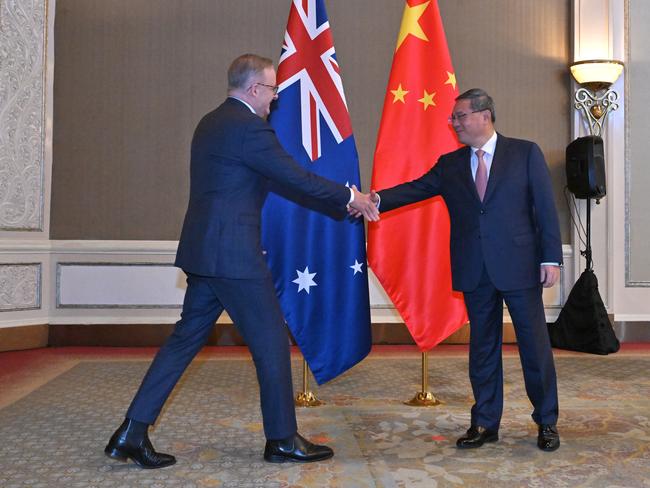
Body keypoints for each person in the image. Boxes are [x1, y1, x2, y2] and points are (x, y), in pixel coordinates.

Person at [104, 53, 379, 468]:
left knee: (183, 341)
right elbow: (296, 177)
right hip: (232, 255)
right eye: (272, 90)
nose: (275, 99)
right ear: (254, 89)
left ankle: (131, 431)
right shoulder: (250, 128)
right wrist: (350, 197)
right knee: (270, 342)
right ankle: (283, 439)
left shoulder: (210, 122)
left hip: (206, 251)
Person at [368, 88, 562, 451]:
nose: (453, 123)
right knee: (483, 348)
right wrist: (375, 199)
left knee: (534, 347)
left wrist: (550, 257)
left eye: (459, 116)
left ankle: (547, 421)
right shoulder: (451, 164)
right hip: (475, 268)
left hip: (520, 266)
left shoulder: (524, 153)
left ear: (484, 115)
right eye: (452, 118)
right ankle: (485, 423)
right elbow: (416, 189)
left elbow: (545, 209)